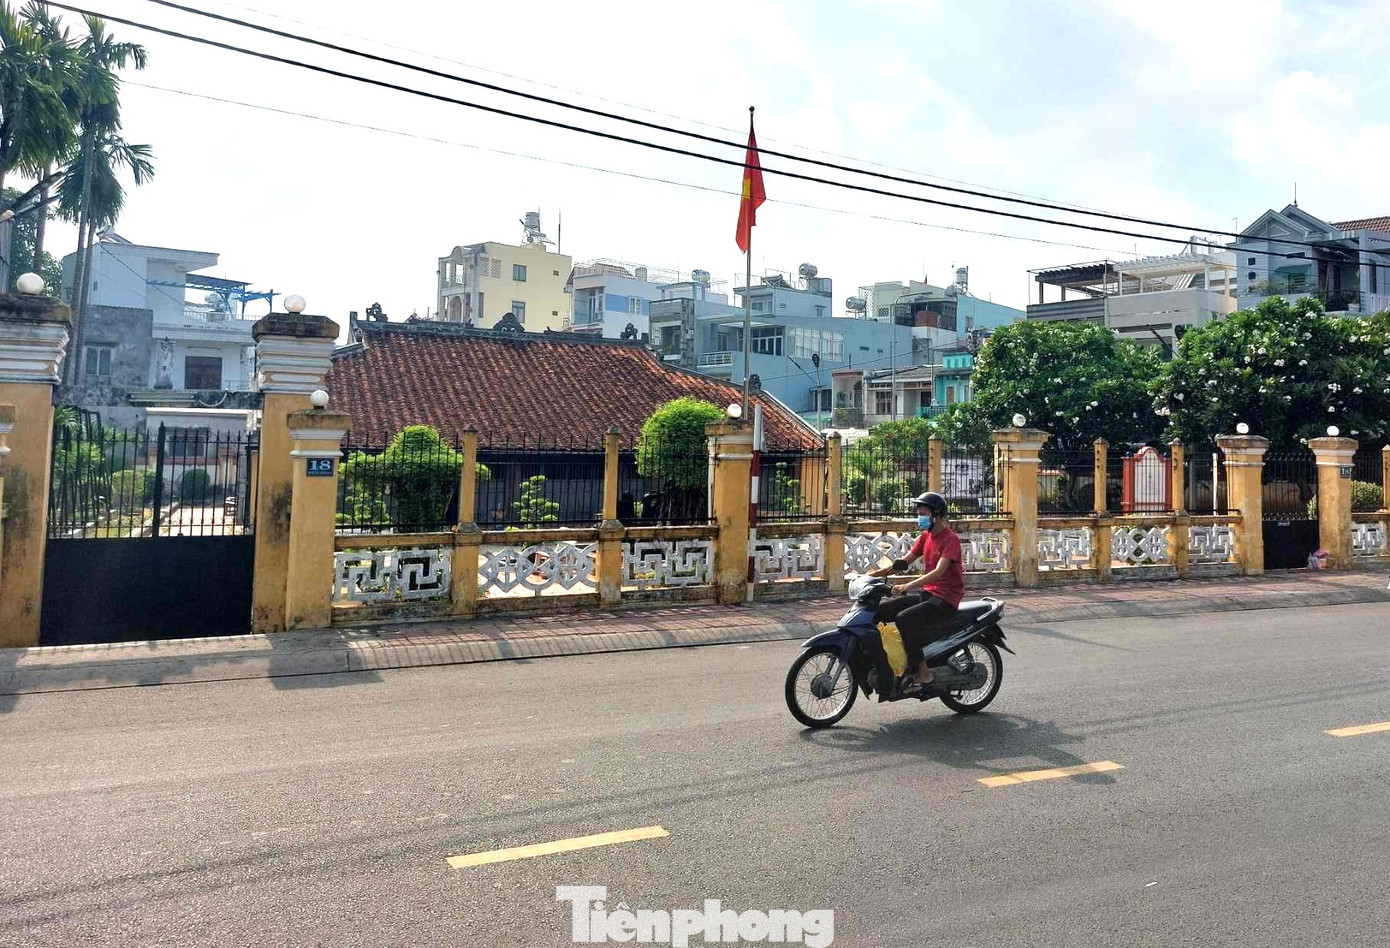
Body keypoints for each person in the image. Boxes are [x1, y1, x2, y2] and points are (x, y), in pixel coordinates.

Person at [868, 491, 965, 694]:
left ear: (936, 515)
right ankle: (884, 662)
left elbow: (939, 572)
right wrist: (874, 574)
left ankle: (924, 673)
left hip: (945, 599)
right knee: (878, 612)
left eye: (923, 514)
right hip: (929, 595)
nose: (920, 518)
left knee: (904, 619)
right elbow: (904, 562)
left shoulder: (950, 539)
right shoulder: (926, 536)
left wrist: (906, 586)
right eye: (919, 514)